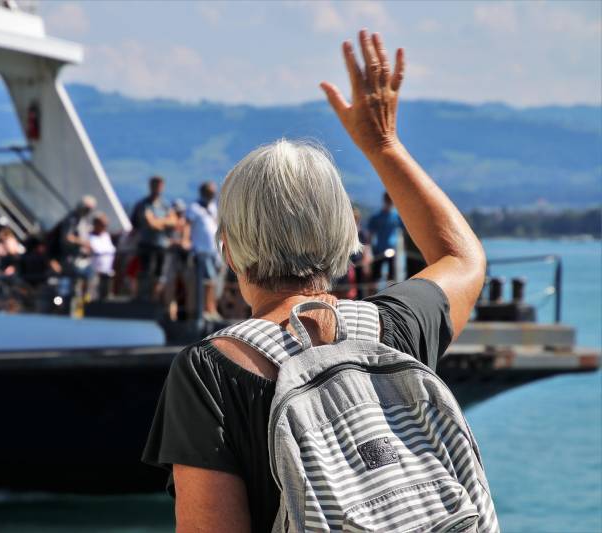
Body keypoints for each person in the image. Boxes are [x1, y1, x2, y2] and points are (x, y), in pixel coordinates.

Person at [142, 30, 487, 532]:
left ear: (228, 250)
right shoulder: (391, 332)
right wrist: (383, 145)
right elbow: (461, 255)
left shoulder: (210, 372)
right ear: (345, 235)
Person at [131, 176, 176, 301]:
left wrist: (159, 221)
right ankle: (142, 298)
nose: (157, 188)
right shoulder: (143, 204)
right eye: (155, 185)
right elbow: (150, 223)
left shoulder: (165, 204)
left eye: (159, 185)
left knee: (159, 274)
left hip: (161, 245)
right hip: (146, 244)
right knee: (145, 272)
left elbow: (174, 221)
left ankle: (154, 298)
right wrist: (164, 221)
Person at [186, 181, 221, 321]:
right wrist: (185, 240)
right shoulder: (194, 208)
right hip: (201, 250)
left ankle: (211, 308)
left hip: (214, 251)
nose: (213, 195)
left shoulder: (213, 207)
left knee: (214, 281)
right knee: (208, 280)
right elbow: (187, 225)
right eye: (210, 192)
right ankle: (208, 309)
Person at [367, 191, 402, 289]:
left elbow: (404, 231)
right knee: (375, 276)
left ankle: (391, 293)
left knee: (391, 277)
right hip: (379, 250)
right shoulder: (376, 217)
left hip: (392, 250)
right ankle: (373, 293)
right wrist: (369, 251)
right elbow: (370, 235)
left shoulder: (397, 216)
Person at [87, 212, 117, 301]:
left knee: (106, 299)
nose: (104, 227)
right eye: (102, 225)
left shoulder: (106, 236)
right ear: (96, 224)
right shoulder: (89, 236)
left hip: (107, 274)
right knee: (92, 298)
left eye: (105, 225)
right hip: (94, 274)